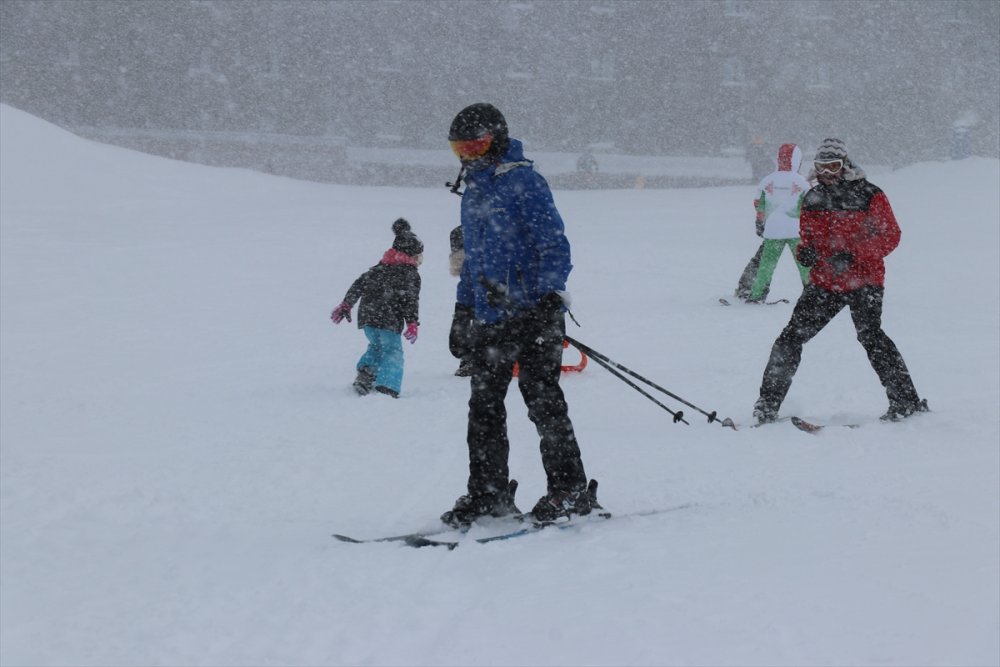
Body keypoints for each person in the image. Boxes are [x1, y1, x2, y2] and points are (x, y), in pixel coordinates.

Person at [441, 102, 594, 527]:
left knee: (542, 399)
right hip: (492, 317)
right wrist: (462, 308)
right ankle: (487, 493)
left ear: (498, 140)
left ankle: (569, 491)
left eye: (475, 146)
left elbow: (555, 246)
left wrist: (545, 299)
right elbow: (472, 259)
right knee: (483, 406)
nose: (468, 157)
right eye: (460, 150)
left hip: (534, 314)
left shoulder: (524, 182)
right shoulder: (473, 191)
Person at [753, 138, 928, 424]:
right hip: (825, 283)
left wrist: (854, 255)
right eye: (821, 167)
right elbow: (807, 238)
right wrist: (806, 252)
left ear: (845, 165)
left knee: (871, 337)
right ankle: (767, 405)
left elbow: (890, 236)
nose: (827, 173)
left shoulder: (870, 194)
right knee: (790, 338)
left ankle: (906, 401)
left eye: (833, 166)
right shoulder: (812, 198)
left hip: (865, 282)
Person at [330, 218, 422, 398]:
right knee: (392, 351)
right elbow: (411, 300)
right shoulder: (410, 274)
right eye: (419, 256)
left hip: (368, 318)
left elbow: (358, 284)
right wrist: (412, 322)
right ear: (411, 256)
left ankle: (366, 373)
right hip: (389, 318)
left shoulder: (378, 268)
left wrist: (347, 304)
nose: (420, 260)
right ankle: (387, 386)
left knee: (377, 345)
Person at [745, 143, 812, 302]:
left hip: (773, 230)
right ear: (797, 161)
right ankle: (813, 294)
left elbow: (759, 203)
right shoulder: (801, 182)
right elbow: (809, 207)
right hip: (796, 231)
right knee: (805, 266)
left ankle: (757, 294)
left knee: (766, 266)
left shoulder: (768, 180)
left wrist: (760, 221)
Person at [448, 225, 474, 377]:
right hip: (466, 298)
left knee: (479, 331)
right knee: (458, 336)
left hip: (483, 298)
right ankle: (468, 357)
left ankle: (473, 359)